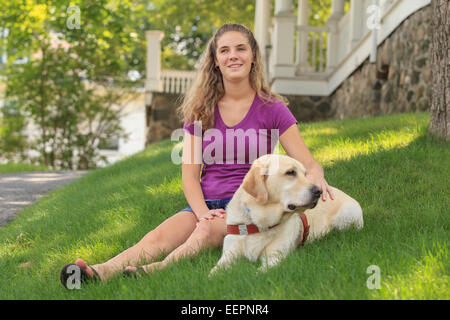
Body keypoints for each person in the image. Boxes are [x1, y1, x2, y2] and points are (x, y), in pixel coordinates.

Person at [60, 23, 334, 287]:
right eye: (224, 50)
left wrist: (317, 177)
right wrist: (204, 213)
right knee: (157, 237)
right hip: (205, 202)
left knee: (203, 234)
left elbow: (308, 163)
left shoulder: (271, 108)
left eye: (241, 49)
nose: (233, 56)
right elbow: (190, 177)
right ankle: (99, 272)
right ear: (215, 60)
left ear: (253, 57)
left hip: (250, 206)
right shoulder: (201, 110)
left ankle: (150, 272)